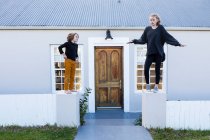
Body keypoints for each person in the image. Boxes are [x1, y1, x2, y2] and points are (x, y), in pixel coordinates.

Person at [128, 13, 185, 93]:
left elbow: (168, 37)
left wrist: (178, 44)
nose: (152, 21)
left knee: (157, 70)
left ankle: (156, 86)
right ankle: (147, 85)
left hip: (158, 53)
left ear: (157, 20)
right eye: (150, 20)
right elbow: (142, 40)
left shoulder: (161, 28)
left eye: (153, 20)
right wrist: (134, 41)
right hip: (150, 53)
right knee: (146, 68)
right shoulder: (147, 29)